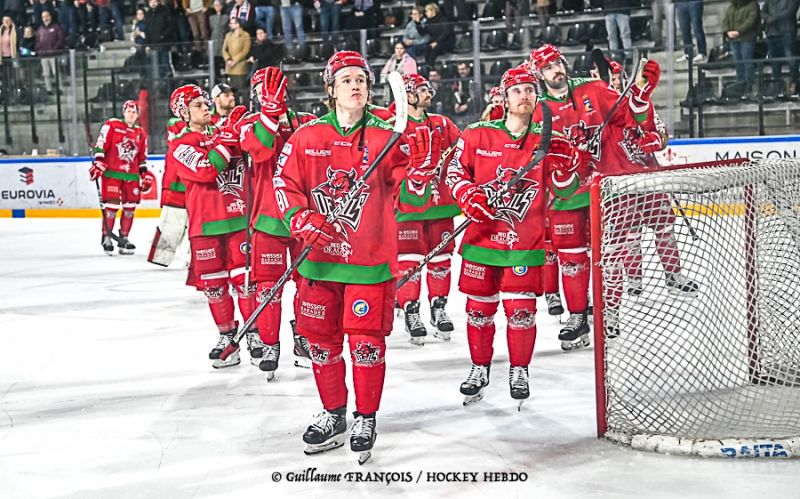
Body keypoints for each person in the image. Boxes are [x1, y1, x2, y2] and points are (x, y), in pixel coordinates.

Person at [272, 51, 438, 460]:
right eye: (345, 79)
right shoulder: (307, 137)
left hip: (368, 263)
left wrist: (419, 173)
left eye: (361, 79)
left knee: (365, 345)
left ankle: (366, 415)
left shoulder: (386, 137)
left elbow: (413, 199)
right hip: (317, 264)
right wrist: (303, 219)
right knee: (322, 344)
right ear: (331, 89)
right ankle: (334, 412)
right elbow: (284, 185)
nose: (355, 85)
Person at [531, 44, 697, 343]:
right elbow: (531, 157)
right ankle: (578, 317)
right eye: (548, 67)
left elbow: (629, 117)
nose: (556, 69)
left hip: (609, 188)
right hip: (566, 193)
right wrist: (562, 164)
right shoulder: (535, 108)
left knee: (610, 256)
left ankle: (610, 313)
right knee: (572, 259)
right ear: (540, 74)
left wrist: (641, 96)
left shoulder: (593, 89)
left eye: (558, 62)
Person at [445, 64, 589, 405]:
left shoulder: (548, 139)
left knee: (521, 313)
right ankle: (479, 367)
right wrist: (467, 195)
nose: (523, 95)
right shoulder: (478, 134)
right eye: (516, 90)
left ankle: (519, 368)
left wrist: (569, 167)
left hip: (525, 244)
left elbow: (564, 190)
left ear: (536, 96)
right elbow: (454, 172)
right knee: (479, 311)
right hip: (481, 242)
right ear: (504, 97)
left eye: (529, 89)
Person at [235, 67, 318, 376]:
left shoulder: (307, 122)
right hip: (269, 220)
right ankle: (270, 343)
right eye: (262, 90)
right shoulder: (249, 124)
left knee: (309, 283)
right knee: (269, 287)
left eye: (275, 89)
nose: (270, 95)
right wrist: (270, 114)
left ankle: (304, 339)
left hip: (304, 217)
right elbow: (259, 150)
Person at [168, 84, 253, 369]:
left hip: (239, 221)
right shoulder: (180, 143)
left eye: (206, 102)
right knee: (215, 287)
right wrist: (225, 142)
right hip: (204, 226)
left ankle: (254, 336)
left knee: (246, 283)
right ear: (183, 112)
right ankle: (227, 335)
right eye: (197, 105)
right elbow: (205, 170)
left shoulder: (226, 131)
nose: (205, 107)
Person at [394, 74, 461, 345]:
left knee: (441, 261)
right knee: (409, 263)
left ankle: (438, 308)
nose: (428, 93)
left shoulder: (443, 123)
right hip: (407, 210)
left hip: (441, 206)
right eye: (421, 90)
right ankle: (411, 311)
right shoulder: (395, 127)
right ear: (408, 95)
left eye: (427, 89)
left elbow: (462, 151)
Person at [89, 101, 149, 255]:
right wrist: (99, 162)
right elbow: (101, 143)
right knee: (111, 208)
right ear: (124, 112)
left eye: (134, 111)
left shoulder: (141, 132)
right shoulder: (112, 125)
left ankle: (124, 238)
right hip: (112, 173)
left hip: (132, 175)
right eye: (128, 110)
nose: (131, 114)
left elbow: (142, 157)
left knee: (130, 209)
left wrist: (145, 175)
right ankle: (107, 237)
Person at [723, 0, 761, 92]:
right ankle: (740, 85)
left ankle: (749, 86)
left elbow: (751, 21)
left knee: (747, 62)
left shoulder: (753, 4)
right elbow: (725, 20)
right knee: (738, 64)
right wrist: (727, 31)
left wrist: (738, 31)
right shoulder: (731, 6)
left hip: (747, 39)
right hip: (733, 40)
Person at [762, 0, 799, 93]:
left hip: (787, 31)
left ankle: (795, 82)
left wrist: (774, 19)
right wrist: (766, 18)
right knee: (774, 62)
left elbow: (791, 10)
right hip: (772, 32)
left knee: (791, 58)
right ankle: (777, 85)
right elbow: (763, 11)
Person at [36, 10, 65, 95]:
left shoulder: (56, 27)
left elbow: (60, 39)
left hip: (54, 55)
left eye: (47, 16)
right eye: (43, 17)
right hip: (44, 55)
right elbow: (37, 41)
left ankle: (60, 88)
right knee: (46, 74)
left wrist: (55, 49)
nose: (45, 18)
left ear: (50, 16)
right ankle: (49, 89)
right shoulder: (40, 29)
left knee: (56, 73)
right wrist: (39, 50)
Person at [222, 16, 251, 99]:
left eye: (233, 23)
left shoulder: (245, 35)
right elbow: (224, 49)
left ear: (238, 24)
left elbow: (245, 50)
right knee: (233, 90)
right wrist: (228, 59)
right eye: (230, 23)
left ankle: (245, 108)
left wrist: (234, 60)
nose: (231, 25)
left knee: (242, 88)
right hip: (230, 65)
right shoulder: (228, 35)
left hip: (240, 65)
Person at [145, 0, 172, 77]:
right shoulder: (148, 14)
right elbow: (147, 30)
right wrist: (147, 44)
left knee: (165, 64)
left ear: (158, 2)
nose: (153, 4)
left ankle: (169, 83)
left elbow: (169, 26)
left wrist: (163, 36)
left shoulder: (164, 11)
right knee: (157, 66)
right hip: (153, 44)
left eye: (154, 2)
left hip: (164, 44)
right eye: (151, 2)